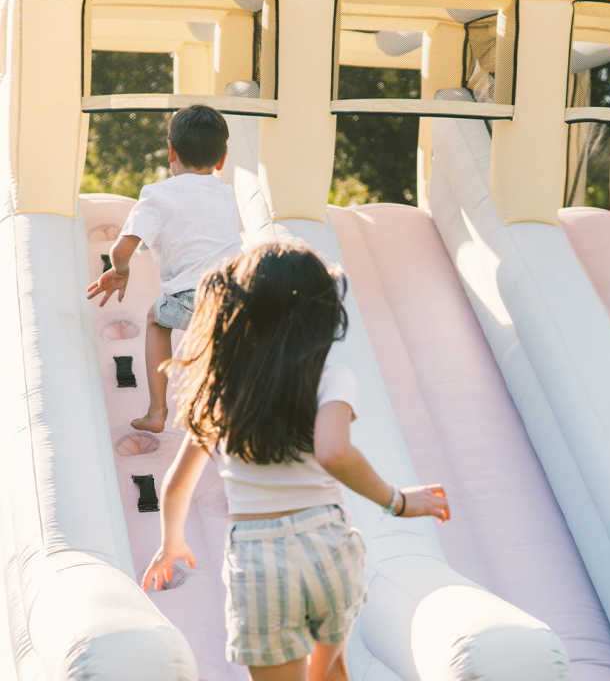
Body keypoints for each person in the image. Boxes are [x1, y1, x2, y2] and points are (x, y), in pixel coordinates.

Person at [140, 240, 450, 681]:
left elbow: (176, 487)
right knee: (331, 671)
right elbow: (334, 451)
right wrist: (396, 500)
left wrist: (172, 543)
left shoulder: (222, 390)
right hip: (328, 546)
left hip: (259, 557)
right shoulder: (331, 378)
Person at [87, 104, 241, 433]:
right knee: (220, 341)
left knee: (156, 319)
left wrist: (120, 270)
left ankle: (157, 411)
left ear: (171, 151)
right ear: (222, 159)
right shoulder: (226, 194)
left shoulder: (157, 195)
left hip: (192, 295)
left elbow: (122, 249)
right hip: (238, 292)